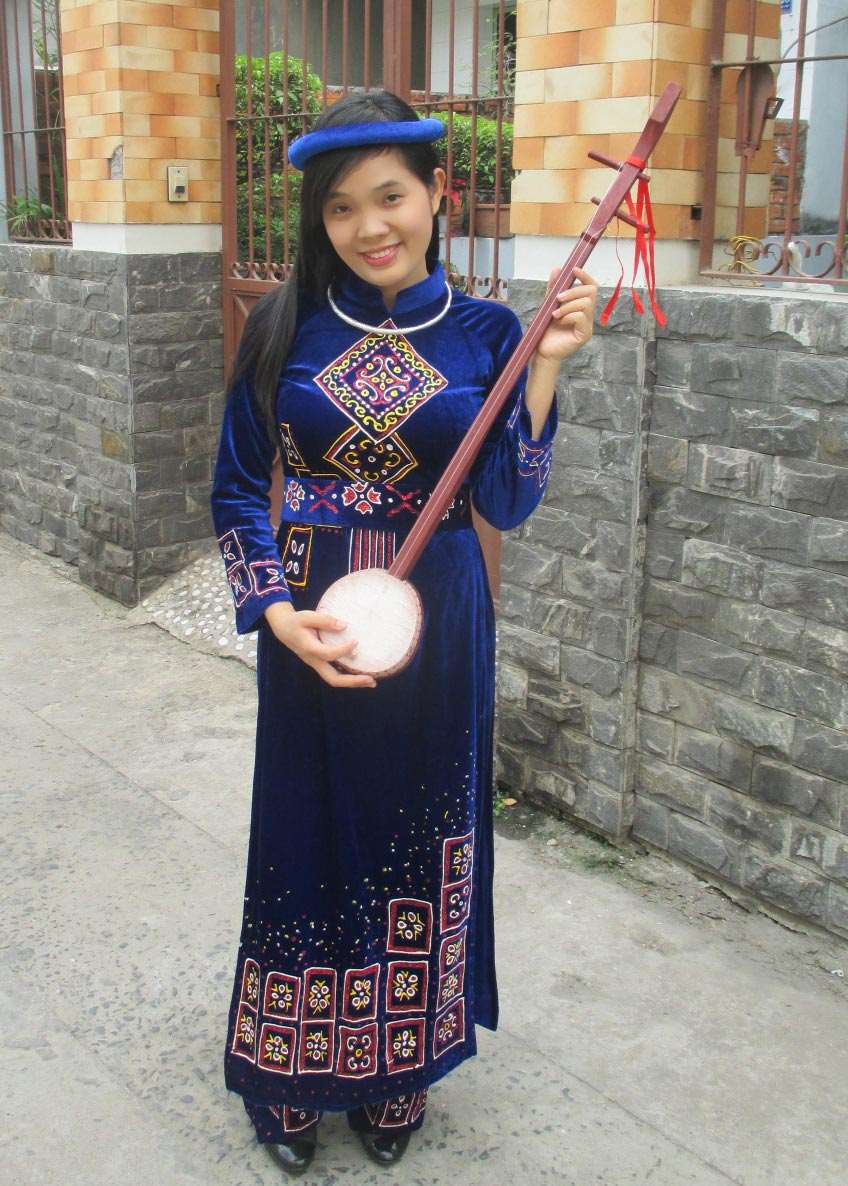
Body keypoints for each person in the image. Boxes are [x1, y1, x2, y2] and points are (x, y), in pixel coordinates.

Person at [209, 88, 597, 1175]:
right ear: (318, 222)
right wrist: (276, 615)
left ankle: (396, 1065)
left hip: (440, 622)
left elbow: (505, 501)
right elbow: (236, 487)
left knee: (418, 834)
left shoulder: (489, 334)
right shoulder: (284, 326)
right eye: (340, 208)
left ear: (436, 194)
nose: (368, 226)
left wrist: (548, 366)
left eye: (390, 197)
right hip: (314, 616)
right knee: (304, 831)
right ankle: (289, 1067)